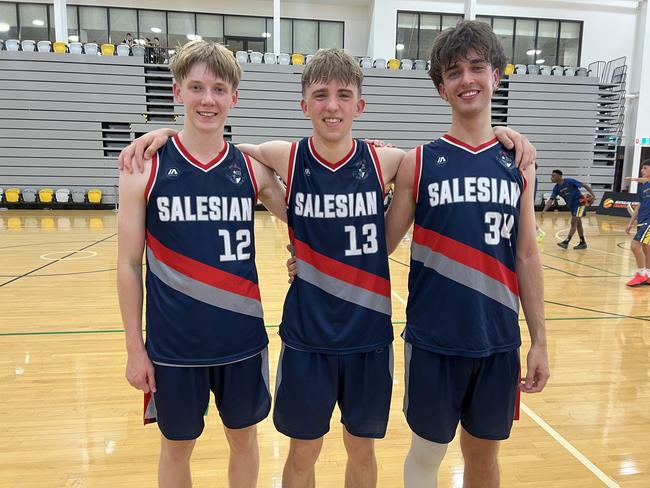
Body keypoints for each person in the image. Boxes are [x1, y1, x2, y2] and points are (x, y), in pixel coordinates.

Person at [119, 47, 535, 487]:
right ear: (304, 105)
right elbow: (214, 147)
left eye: (342, 96)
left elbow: (463, 149)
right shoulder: (279, 158)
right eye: (320, 95)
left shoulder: (394, 162)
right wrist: (160, 134)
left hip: (368, 337)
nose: (331, 106)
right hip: (305, 338)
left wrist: (507, 136)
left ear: (360, 105)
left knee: (361, 448)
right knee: (300, 452)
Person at [383, 21, 549, 487]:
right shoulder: (419, 161)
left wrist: (540, 340)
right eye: (454, 72)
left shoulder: (518, 161)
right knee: (425, 455)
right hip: (434, 341)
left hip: (497, 341)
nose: (467, 79)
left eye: (478, 67)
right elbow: (380, 245)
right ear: (441, 88)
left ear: (496, 75)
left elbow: (528, 256)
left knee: (483, 458)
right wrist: (313, 260)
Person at [116, 40, 286, 488]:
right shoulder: (144, 168)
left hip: (242, 340)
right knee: (176, 448)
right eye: (196, 87)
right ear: (177, 92)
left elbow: (311, 217)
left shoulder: (252, 170)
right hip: (174, 348)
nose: (207, 99)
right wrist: (136, 349)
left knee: (244, 439)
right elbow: (128, 265)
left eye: (218, 88)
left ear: (234, 97)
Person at [540, 169, 596, 249]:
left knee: (573, 222)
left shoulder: (570, 181)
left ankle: (566, 242)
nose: (551, 178)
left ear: (559, 176)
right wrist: (544, 210)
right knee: (578, 224)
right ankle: (582, 242)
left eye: (553, 176)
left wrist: (593, 195)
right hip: (572, 207)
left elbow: (584, 185)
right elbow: (551, 200)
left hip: (580, 204)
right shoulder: (556, 188)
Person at [624, 160, 650, 286]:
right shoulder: (643, 187)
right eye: (642, 168)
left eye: (645, 168)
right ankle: (648, 274)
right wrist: (630, 223)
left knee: (635, 246)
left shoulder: (647, 182)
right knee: (646, 248)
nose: (642, 170)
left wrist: (633, 179)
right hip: (642, 220)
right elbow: (639, 206)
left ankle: (640, 274)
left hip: (649, 222)